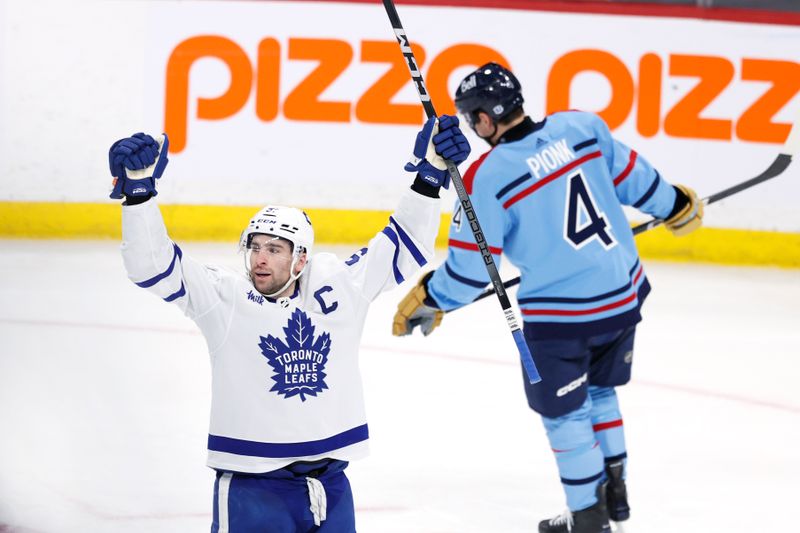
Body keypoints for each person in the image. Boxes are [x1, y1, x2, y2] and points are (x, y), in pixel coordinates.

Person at [108, 116, 470, 532]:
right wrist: (138, 194)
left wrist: (430, 175)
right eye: (256, 247)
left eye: (275, 250)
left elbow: (405, 243)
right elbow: (150, 266)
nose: (260, 258)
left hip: (331, 485)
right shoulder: (222, 298)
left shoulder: (339, 287)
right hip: (253, 489)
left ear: (301, 259)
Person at [392, 63, 703, 533]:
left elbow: (473, 271)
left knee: (564, 414)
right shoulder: (581, 126)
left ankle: (588, 518)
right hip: (623, 296)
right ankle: (614, 501)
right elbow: (639, 181)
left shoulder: (486, 176)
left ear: (483, 120)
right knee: (601, 392)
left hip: (563, 321)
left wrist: (432, 297)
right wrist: (676, 205)